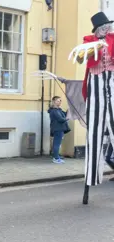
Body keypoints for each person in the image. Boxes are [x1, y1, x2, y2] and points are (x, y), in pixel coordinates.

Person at [70, 11, 114, 186]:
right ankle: (91, 177)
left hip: (112, 81)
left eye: (108, 26)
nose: (106, 29)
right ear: (97, 29)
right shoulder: (88, 41)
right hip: (95, 83)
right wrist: (93, 47)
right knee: (94, 132)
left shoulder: (113, 40)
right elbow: (80, 59)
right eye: (103, 27)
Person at [48, 96, 70, 164]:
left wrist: (68, 110)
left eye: (60, 100)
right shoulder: (54, 111)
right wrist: (67, 118)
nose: (60, 102)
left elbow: (64, 114)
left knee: (57, 144)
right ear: (54, 101)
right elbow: (61, 119)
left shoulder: (59, 110)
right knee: (57, 144)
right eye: (58, 101)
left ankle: (57, 157)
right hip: (58, 129)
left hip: (60, 129)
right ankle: (56, 158)